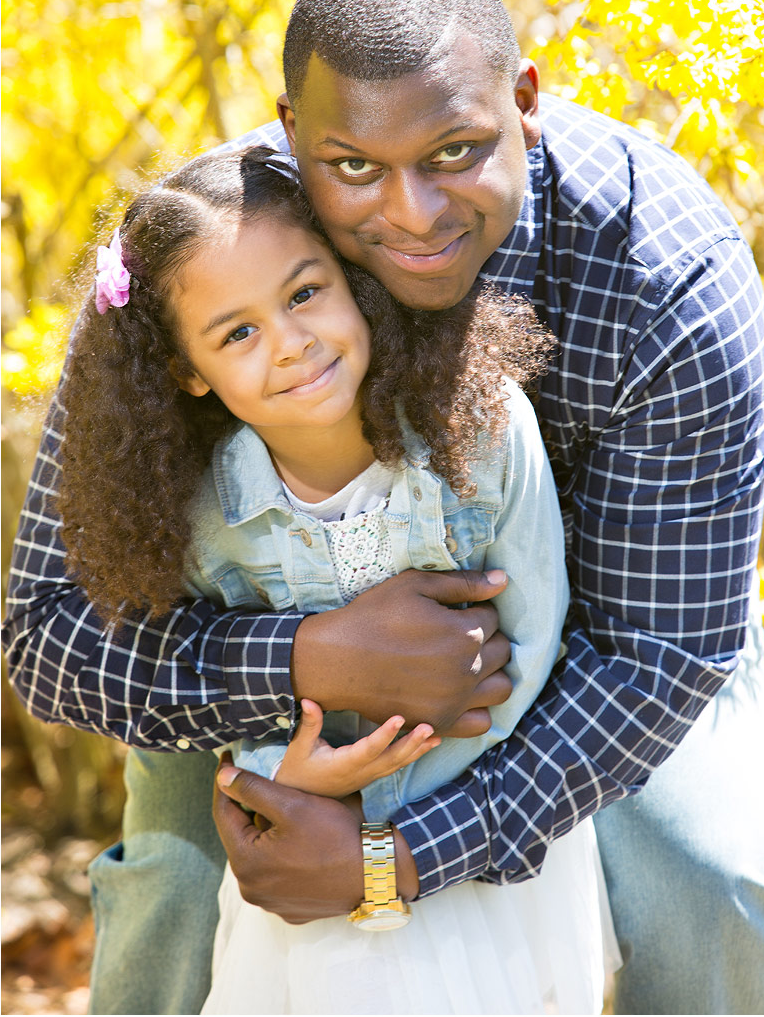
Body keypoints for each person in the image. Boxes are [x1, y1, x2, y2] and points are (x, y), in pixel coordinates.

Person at [4, 0, 764, 1016]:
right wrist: (306, 658)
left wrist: (392, 854)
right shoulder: (217, 246)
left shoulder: (668, 276)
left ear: (525, 99)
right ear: (293, 137)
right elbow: (49, 633)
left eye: (455, 152)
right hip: (266, 647)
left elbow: (661, 655)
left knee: (712, 889)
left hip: (608, 635)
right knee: (176, 883)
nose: (413, 213)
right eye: (353, 168)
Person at [55, 144, 616, 1014]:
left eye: (304, 293)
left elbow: (535, 639)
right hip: (304, 843)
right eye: (237, 333)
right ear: (189, 374)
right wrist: (301, 794)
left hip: (470, 840)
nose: (290, 343)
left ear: (352, 279)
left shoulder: (482, 431)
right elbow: (232, 723)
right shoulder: (204, 516)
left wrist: (390, 831)